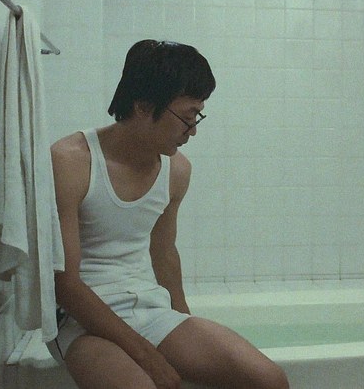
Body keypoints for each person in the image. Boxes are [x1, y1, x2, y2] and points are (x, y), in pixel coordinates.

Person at [50, 40, 289, 389]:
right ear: (143, 106)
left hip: (148, 309)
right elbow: (65, 283)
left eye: (197, 117)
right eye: (188, 117)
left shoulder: (176, 171)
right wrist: (149, 358)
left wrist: (183, 325)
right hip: (81, 322)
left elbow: (163, 254)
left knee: (269, 380)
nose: (193, 130)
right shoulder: (71, 161)